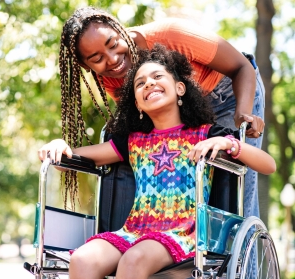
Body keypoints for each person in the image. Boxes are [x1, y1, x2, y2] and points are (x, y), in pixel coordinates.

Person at [39, 45, 275, 279]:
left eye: (157, 76)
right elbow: (73, 158)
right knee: (82, 259)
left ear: (180, 88)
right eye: (140, 83)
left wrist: (229, 144)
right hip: (133, 232)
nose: (149, 84)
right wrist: (60, 146)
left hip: (184, 233)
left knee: (134, 259)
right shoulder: (133, 142)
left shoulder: (206, 134)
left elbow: (268, 165)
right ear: (138, 104)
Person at [59, 6, 265, 218]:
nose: (112, 59)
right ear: (85, 65)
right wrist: (65, 151)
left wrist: (242, 115)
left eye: (113, 44)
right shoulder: (112, 76)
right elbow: (146, 121)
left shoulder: (171, 34)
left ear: (120, 30)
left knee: (232, 191)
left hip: (229, 95)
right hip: (181, 111)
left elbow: (242, 67)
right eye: (96, 58)